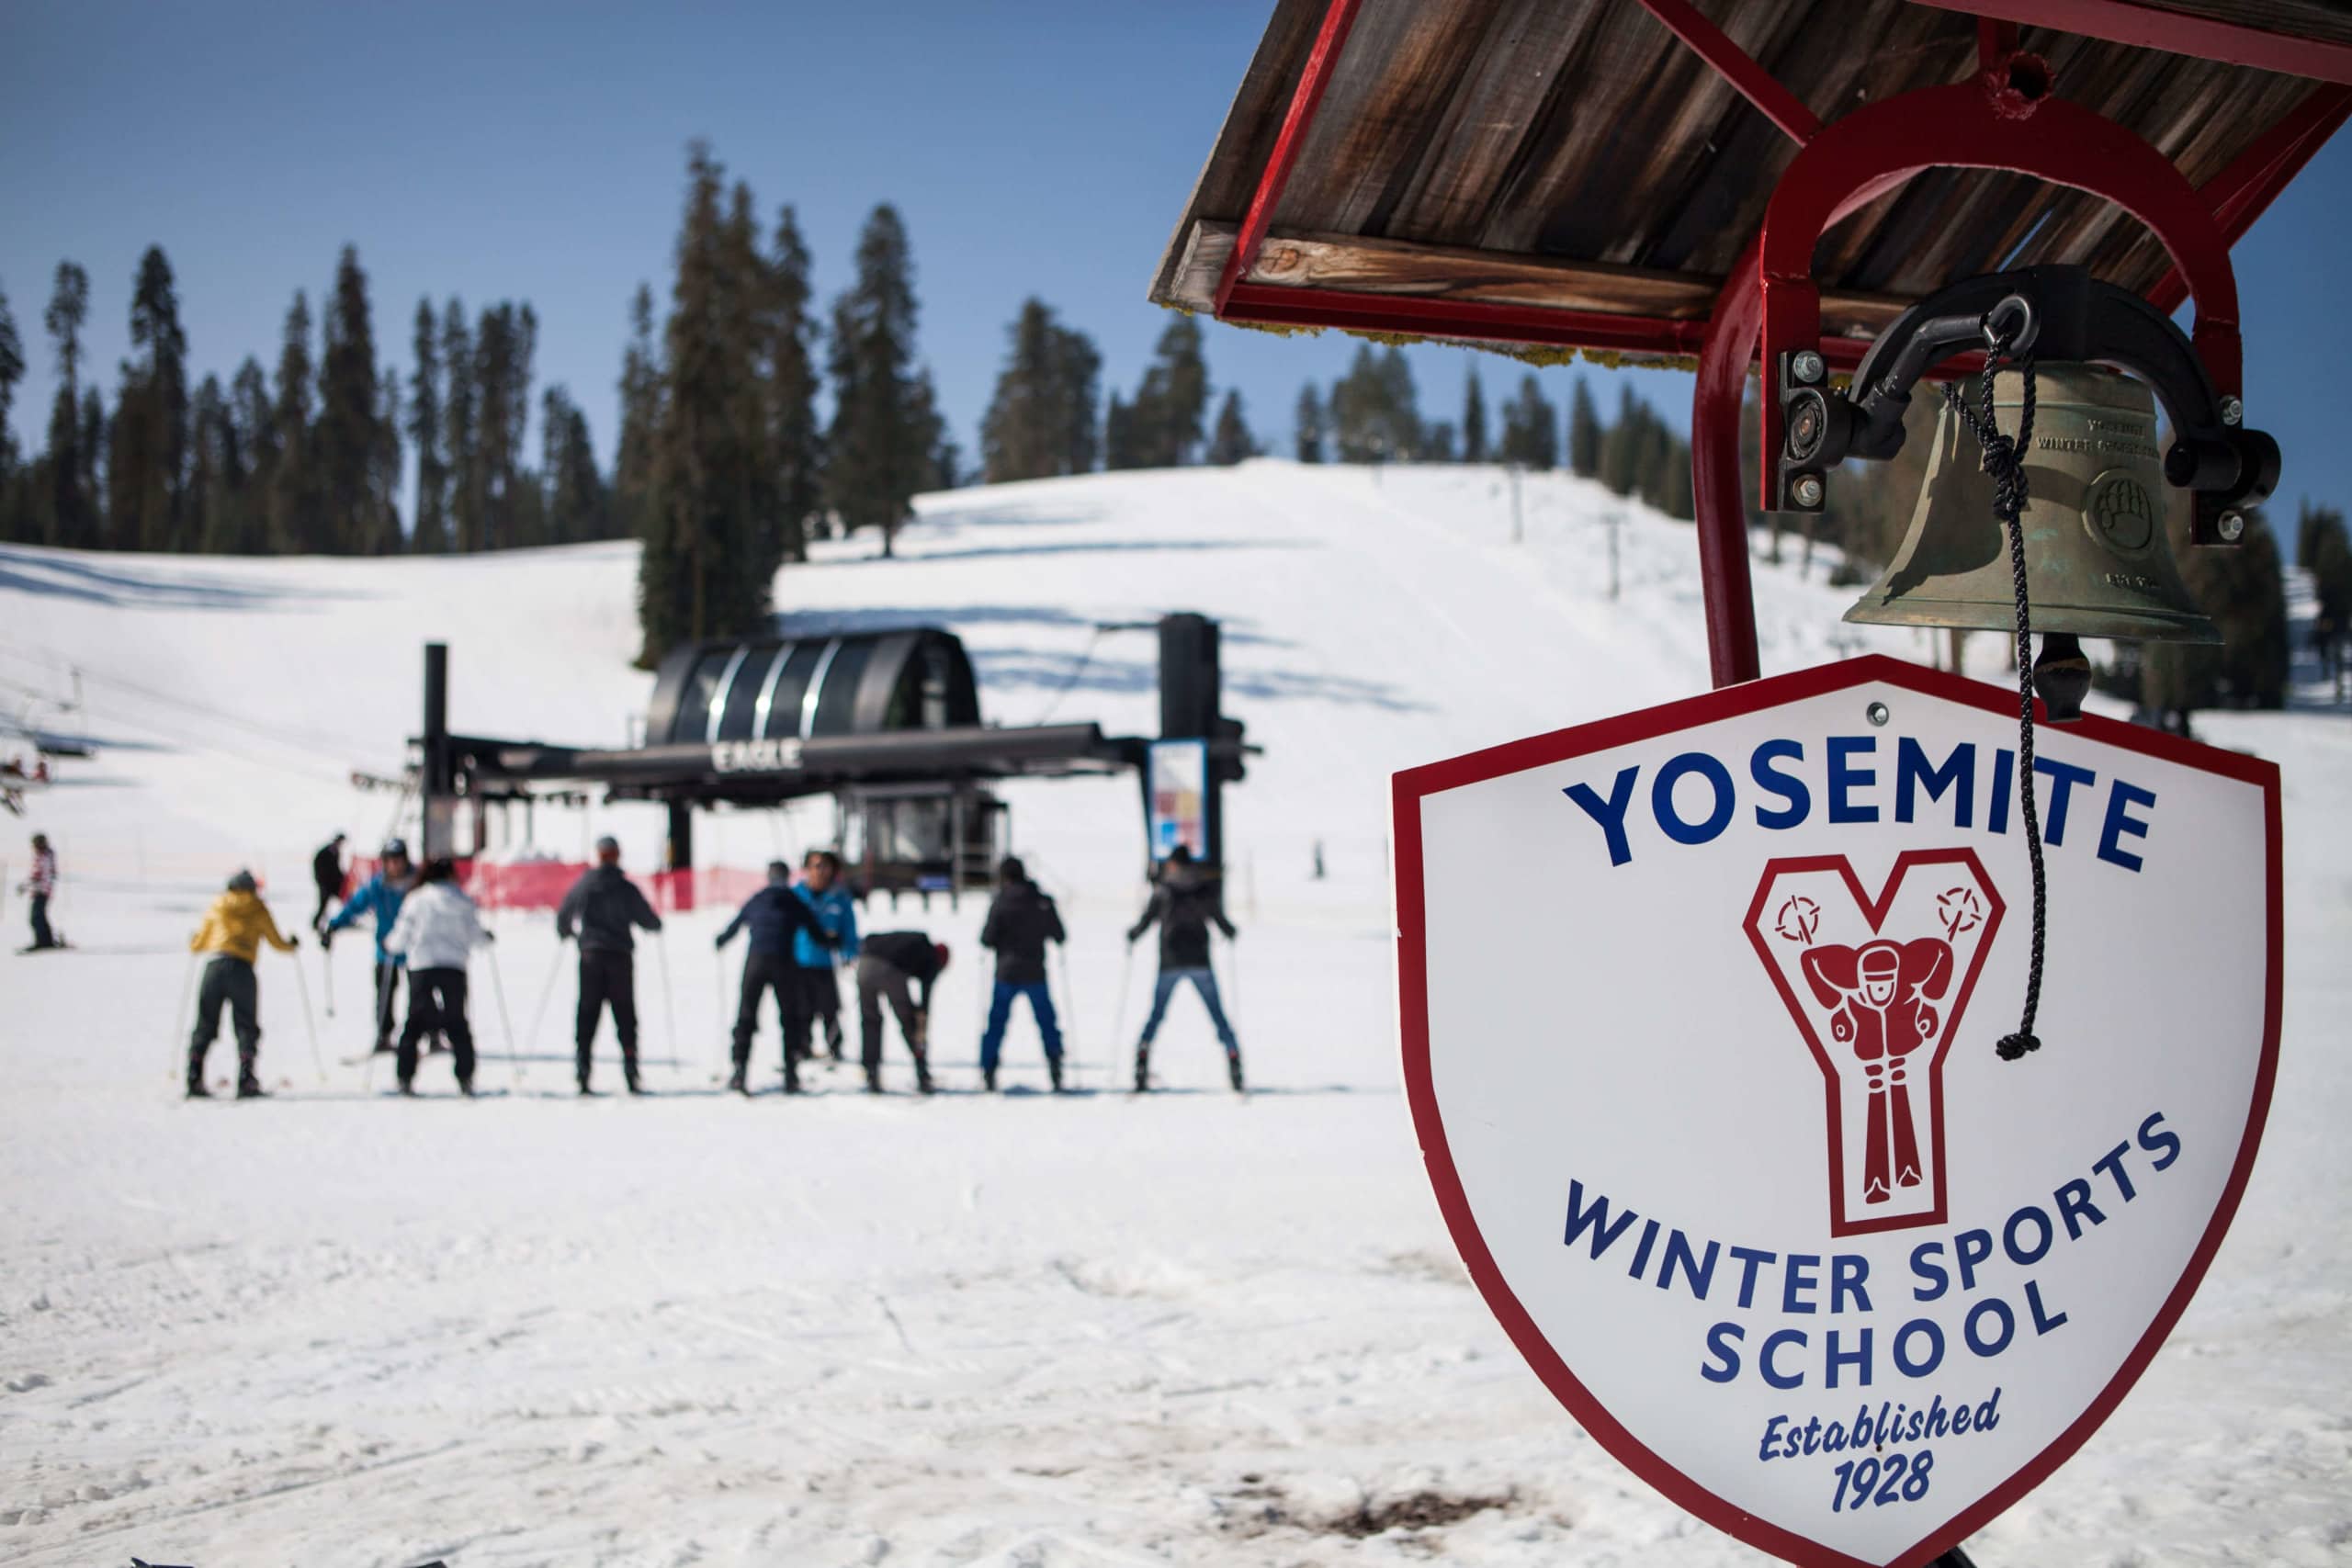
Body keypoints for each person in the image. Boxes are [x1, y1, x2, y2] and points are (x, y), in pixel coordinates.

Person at [1126, 845, 1244, 1093]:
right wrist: (1229, 931)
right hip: (1200, 960)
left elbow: (1147, 920)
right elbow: (1219, 918)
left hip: (1170, 961)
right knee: (1217, 1015)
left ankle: (1142, 1057)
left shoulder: (1163, 890)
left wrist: (1133, 935)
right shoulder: (1203, 889)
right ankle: (1233, 1057)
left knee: (1156, 1014)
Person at [714, 860, 837, 1095]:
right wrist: (832, 941)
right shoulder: (794, 901)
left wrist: (722, 940)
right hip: (784, 962)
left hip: (756, 961)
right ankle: (791, 1074)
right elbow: (815, 931)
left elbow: (736, 924)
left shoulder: (758, 898)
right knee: (790, 1017)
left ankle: (740, 1070)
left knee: (746, 1015)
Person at [555, 835, 663, 1095]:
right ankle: (630, 1067)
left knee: (587, 1013)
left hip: (591, 956)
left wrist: (568, 933)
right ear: (617, 855)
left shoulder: (586, 883)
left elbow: (564, 915)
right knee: (625, 1015)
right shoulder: (625, 887)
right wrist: (654, 925)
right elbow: (648, 920)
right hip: (619, 958)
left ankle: (583, 1067)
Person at [186, 869, 300, 1099]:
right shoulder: (258, 907)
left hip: (214, 967)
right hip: (242, 970)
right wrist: (291, 945)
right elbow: (276, 941)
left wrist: (194, 941)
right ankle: (246, 1078)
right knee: (246, 1026)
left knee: (206, 1022)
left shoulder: (218, 905)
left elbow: (199, 944)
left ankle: (194, 1075)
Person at [382, 857, 492, 1097]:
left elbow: (403, 933)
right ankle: (465, 1076)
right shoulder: (462, 901)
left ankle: (405, 1076)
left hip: (422, 965)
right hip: (453, 966)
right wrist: (487, 938)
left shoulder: (416, 900)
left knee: (414, 1022)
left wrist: (390, 945)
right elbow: (474, 934)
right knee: (457, 1021)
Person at [978, 856, 1066, 1092]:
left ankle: (989, 1069)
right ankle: (1055, 1065)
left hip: (1006, 973)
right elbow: (1059, 935)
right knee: (1047, 1022)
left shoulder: (1000, 902)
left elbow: (987, 938)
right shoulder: (1041, 901)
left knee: (996, 1024)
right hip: (1036, 972)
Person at [325, 839, 414, 1055]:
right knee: (385, 992)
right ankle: (384, 1035)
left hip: (415, 949)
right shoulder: (378, 885)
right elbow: (356, 905)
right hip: (386, 949)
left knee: (421, 995)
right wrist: (334, 925)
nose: (394, 866)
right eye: (390, 861)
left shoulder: (416, 882)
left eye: (398, 861)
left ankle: (428, 1033)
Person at [856, 932, 947, 1095]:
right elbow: (925, 1003)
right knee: (909, 1022)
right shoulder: (932, 958)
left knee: (870, 1020)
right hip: (890, 971)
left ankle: (871, 1072)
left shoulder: (914, 940)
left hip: (864, 966)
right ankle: (921, 1072)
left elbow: (868, 938)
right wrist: (920, 1023)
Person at [790, 850, 860, 1063]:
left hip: (826, 961)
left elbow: (849, 928)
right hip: (799, 960)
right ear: (807, 869)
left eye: (825, 866)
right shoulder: (797, 895)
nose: (820, 871)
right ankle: (802, 1047)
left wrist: (849, 952)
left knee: (830, 1007)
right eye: (815, 866)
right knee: (801, 1008)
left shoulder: (839, 898)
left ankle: (834, 1046)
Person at [17, 832, 59, 951]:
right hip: (39, 890)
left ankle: (43, 942)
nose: (34, 846)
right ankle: (46, 941)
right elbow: (35, 875)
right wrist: (26, 886)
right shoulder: (41, 856)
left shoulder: (45, 857)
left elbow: (42, 875)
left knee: (36, 917)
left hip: (42, 891)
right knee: (39, 917)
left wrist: (33, 886)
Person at [311, 832, 347, 932]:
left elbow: (336, 870)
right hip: (325, 885)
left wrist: (343, 878)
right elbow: (319, 867)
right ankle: (315, 923)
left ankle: (345, 919)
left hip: (333, 885)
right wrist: (320, 881)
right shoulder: (325, 852)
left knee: (345, 900)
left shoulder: (336, 852)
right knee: (323, 905)